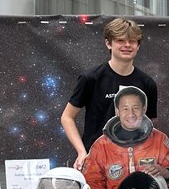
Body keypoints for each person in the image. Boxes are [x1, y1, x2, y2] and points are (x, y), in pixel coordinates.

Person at [61, 18, 158, 172]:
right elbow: (67, 117)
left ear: (138, 46)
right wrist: (82, 152)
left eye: (132, 41)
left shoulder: (147, 84)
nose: (127, 45)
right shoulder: (91, 79)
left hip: (135, 163)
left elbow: (149, 127)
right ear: (108, 43)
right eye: (120, 40)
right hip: (96, 162)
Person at [82, 87, 169, 189]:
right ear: (117, 111)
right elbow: (92, 181)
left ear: (144, 109)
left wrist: (165, 172)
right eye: (125, 109)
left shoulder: (159, 140)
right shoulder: (102, 145)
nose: (131, 114)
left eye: (136, 108)